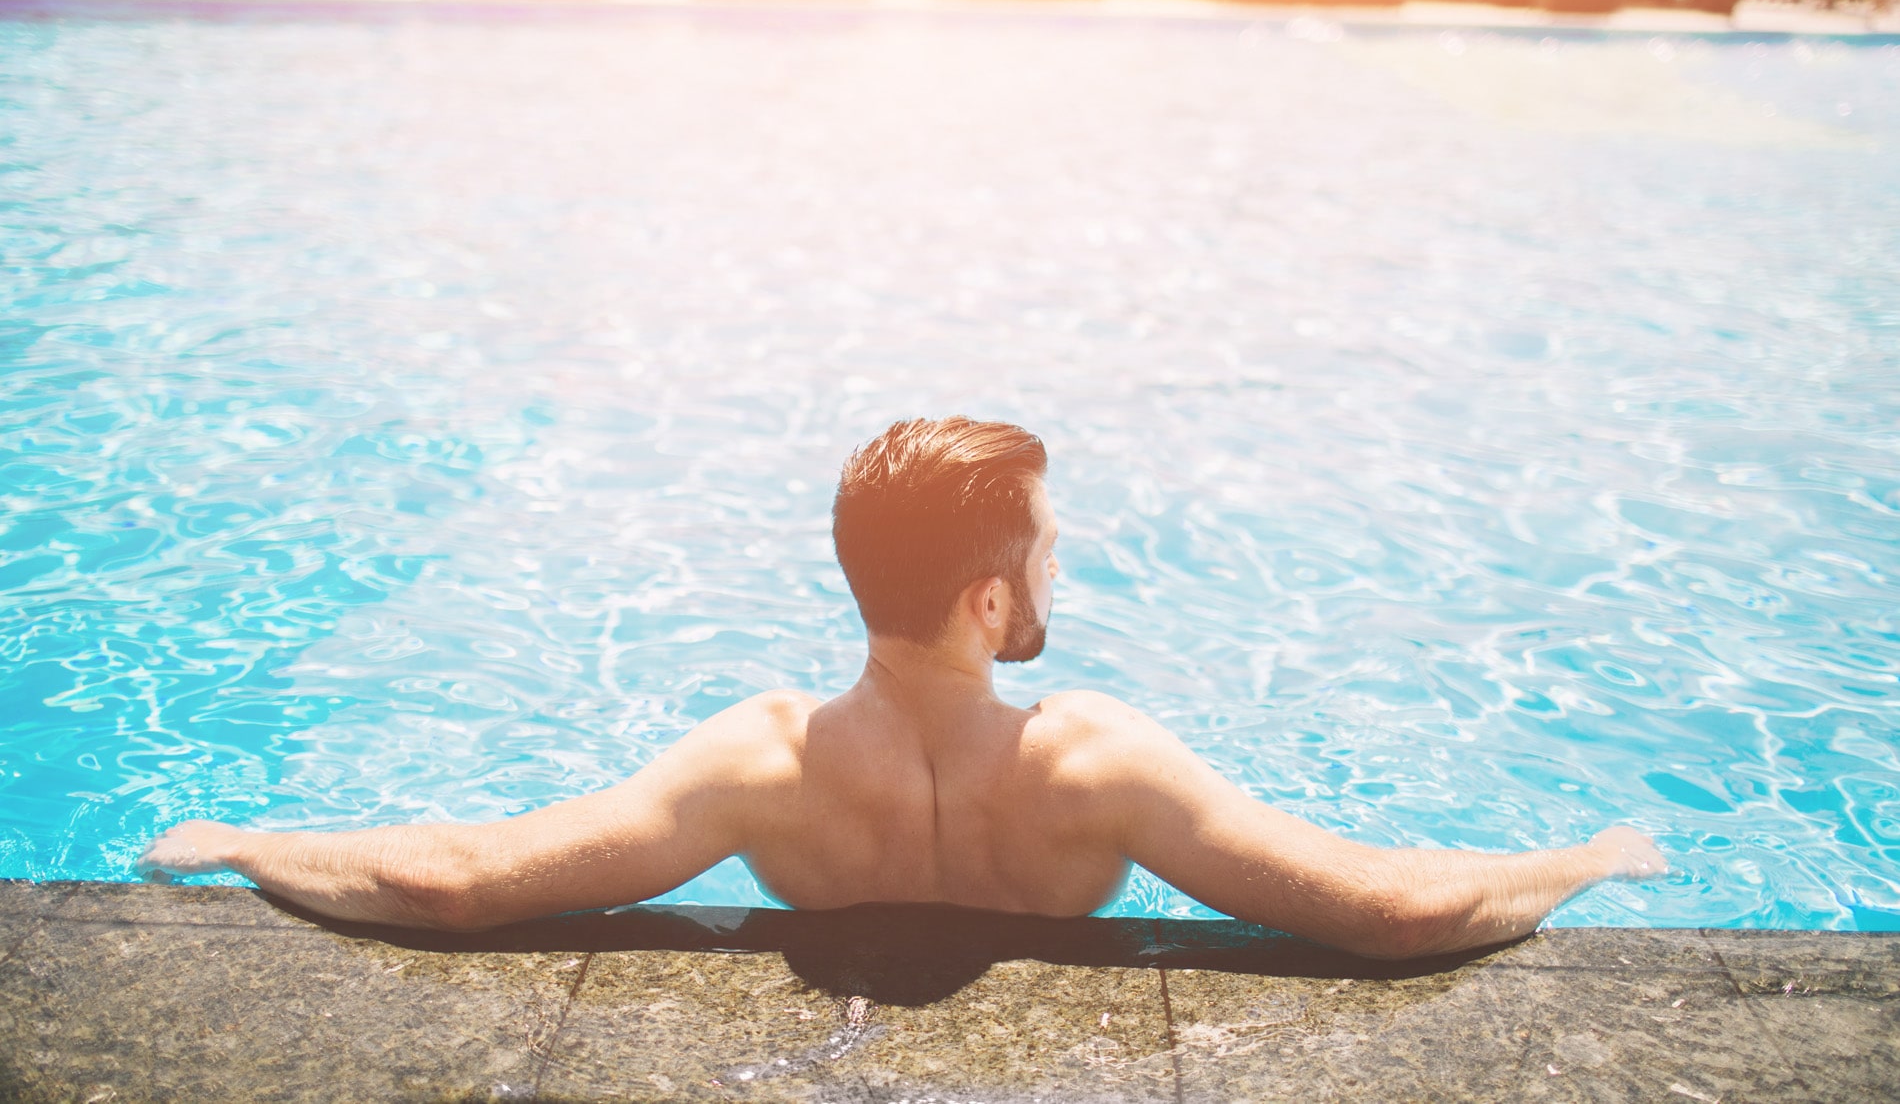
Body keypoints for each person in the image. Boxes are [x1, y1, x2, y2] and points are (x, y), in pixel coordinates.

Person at [139, 417, 1666, 959]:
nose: (1061, 573)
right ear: (991, 598)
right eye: (1049, 552)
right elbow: (1391, 908)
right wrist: (1576, 862)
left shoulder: (764, 765)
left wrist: (250, 847)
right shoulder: (1095, 766)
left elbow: (460, 883)